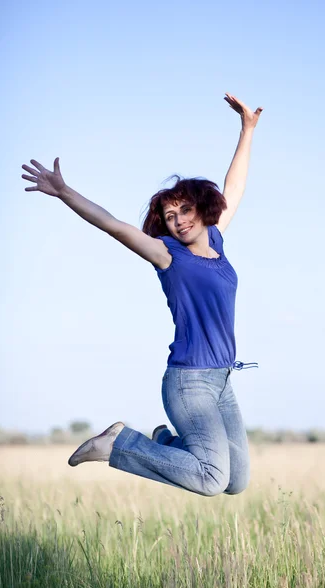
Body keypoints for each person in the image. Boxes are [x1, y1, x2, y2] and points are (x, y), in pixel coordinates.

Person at [21, 93, 263, 497]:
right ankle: (119, 444)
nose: (178, 220)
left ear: (203, 209)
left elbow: (233, 187)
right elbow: (115, 226)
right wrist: (65, 193)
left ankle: (165, 444)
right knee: (210, 479)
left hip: (222, 380)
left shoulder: (218, 239)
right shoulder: (169, 256)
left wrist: (247, 130)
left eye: (184, 210)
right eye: (170, 217)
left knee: (235, 482)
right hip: (190, 382)